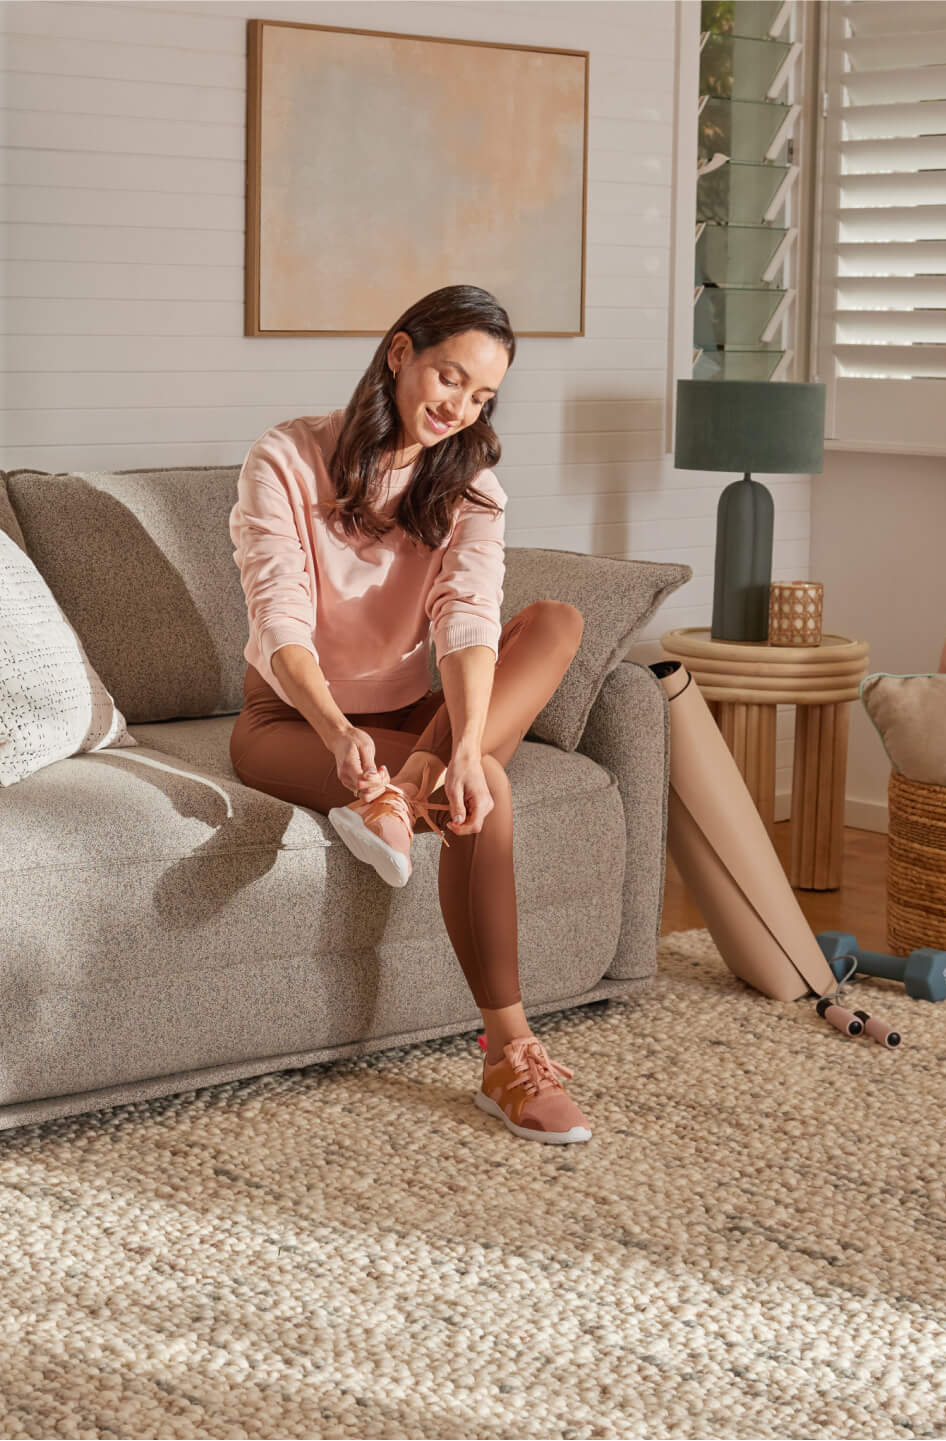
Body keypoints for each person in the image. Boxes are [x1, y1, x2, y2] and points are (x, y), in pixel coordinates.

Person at [227, 284, 591, 1144]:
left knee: (553, 624)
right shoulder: (285, 456)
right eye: (446, 377)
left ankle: (417, 783)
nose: (457, 407)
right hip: (291, 722)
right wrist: (335, 730)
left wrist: (459, 745)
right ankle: (509, 1055)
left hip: (409, 717)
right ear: (398, 354)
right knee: (492, 790)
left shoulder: (470, 482)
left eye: (481, 396)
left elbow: (466, 619)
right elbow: (279, 615)